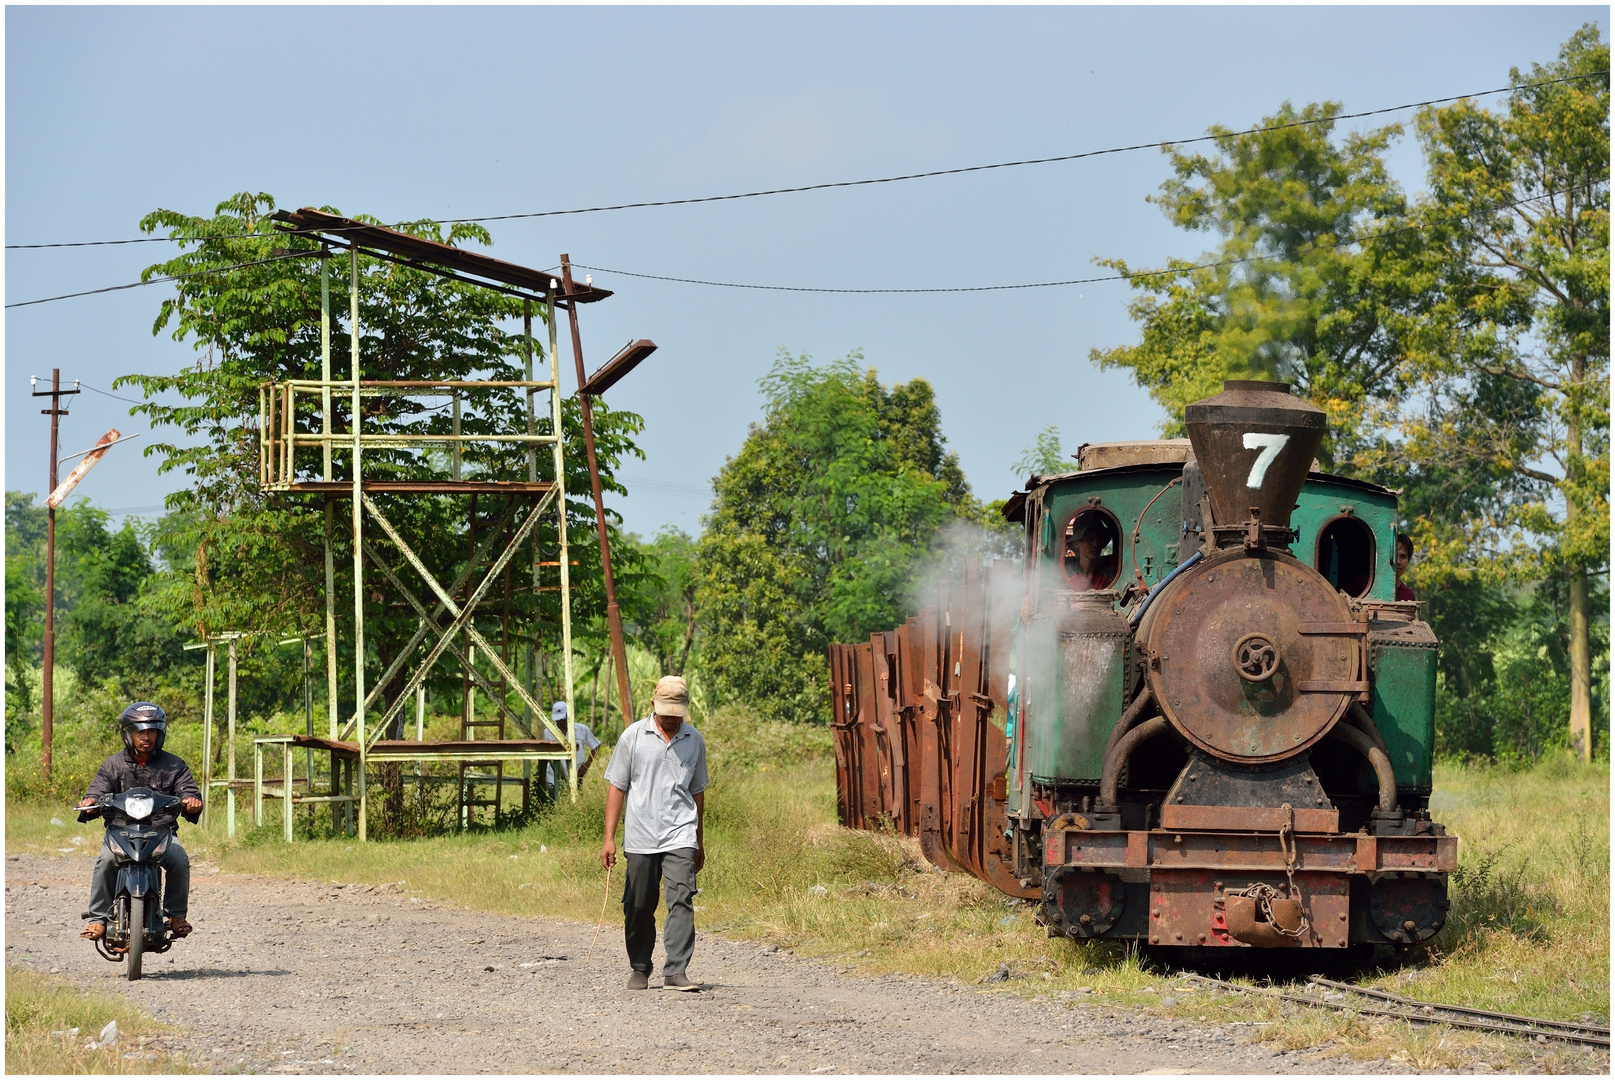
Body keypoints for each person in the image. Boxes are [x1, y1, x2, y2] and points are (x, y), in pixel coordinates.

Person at [601, 675, 708, 992]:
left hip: (681, 834)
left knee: (682, 899)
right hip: (640, 836)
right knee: (639, 903)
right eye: (666, 711)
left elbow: (698, 791)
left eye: (677, 712)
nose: (672, 718)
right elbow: (617, 786)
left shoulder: (694, 740)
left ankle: (675, 971)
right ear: (653, 705)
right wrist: (609, 837)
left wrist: (699, 840)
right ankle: (640, 965)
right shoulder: (632, 737)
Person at [77, 703, 202, 942]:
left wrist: (191, 800)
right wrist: (90, 801)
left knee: (179, 860)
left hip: (160, 832)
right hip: (120, 833)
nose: (146, 737)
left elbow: (188, 791)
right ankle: (98, 919)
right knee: (105, 861)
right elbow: (97, 789)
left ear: (160, 734)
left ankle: (176, 915)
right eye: (139, 732)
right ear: (128, 734)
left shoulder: (174, 765)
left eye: (151, 731)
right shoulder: (113, 764)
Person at [543, 700, 602, 791]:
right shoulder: (548, 732)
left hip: (576, 774)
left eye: (562, 719)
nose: (560, 722)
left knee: (576, 799)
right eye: (557, 719)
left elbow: (596, 746)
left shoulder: (582, 730)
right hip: (553, 776)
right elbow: (544, 754)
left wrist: (586, 765)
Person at [1065, 512, 1119, 591]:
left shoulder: (1112, 568)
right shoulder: (1065, 570)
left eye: (1099, 539)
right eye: (1089, 539)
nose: (1096, 544)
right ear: (1076, 543)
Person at [1394, 533, 1417, 602]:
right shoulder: (1364, 585)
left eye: (1403, 557)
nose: (1398, 562)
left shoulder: (1408, 595)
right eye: (1394, 556)